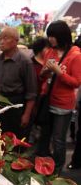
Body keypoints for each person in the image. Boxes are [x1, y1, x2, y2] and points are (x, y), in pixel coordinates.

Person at [36, 21, 81, 173]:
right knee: (45, 135)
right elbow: (43, 75)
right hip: (48, 100)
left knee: (58, 140)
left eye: (53, 36)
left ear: (62, 36)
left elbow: (76, 82)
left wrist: (59, 72)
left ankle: (57, 171)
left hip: (63, 105)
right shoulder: (51, 51)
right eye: (49, 36)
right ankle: (44, 168)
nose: (50, 39)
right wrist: (46, 71)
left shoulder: (75, 55)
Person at [0, 27, 37, 139]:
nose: (1, 41)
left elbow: (32, 92)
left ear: (16, 41)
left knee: (13, 142)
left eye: (5, 38)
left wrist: (26, 115)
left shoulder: (25, 62)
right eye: (0, 38)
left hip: (15, 107)